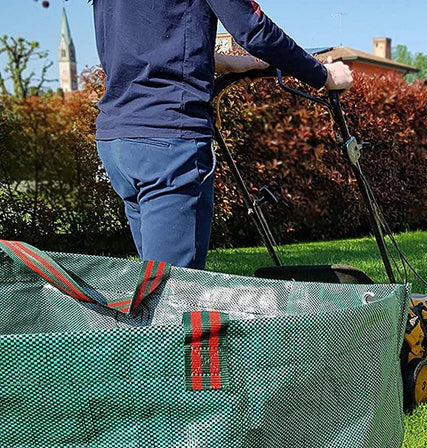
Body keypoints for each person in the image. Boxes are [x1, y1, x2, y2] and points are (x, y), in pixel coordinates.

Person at [93, 0, 352, 270]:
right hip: (168, 143)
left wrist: (226, 63)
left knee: (153, 284)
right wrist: (323, 75)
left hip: (118, 142)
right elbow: (252, 29)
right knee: (174, 292)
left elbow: (141, 49)